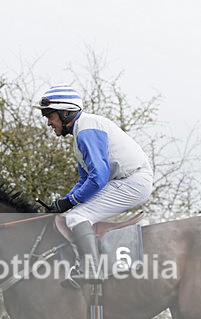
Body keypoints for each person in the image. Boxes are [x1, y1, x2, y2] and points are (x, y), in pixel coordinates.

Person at [34, 84, 154, 288]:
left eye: (50, 116)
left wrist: (71, 203)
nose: (48, 123)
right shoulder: (81, 132)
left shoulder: (86, 130)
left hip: (132, 181)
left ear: (65, 113)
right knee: (73, 213)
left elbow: (99, 177)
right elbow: (85, 180)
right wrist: (64, 201)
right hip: (127, 180)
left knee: (77, 217)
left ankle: (91, 268)